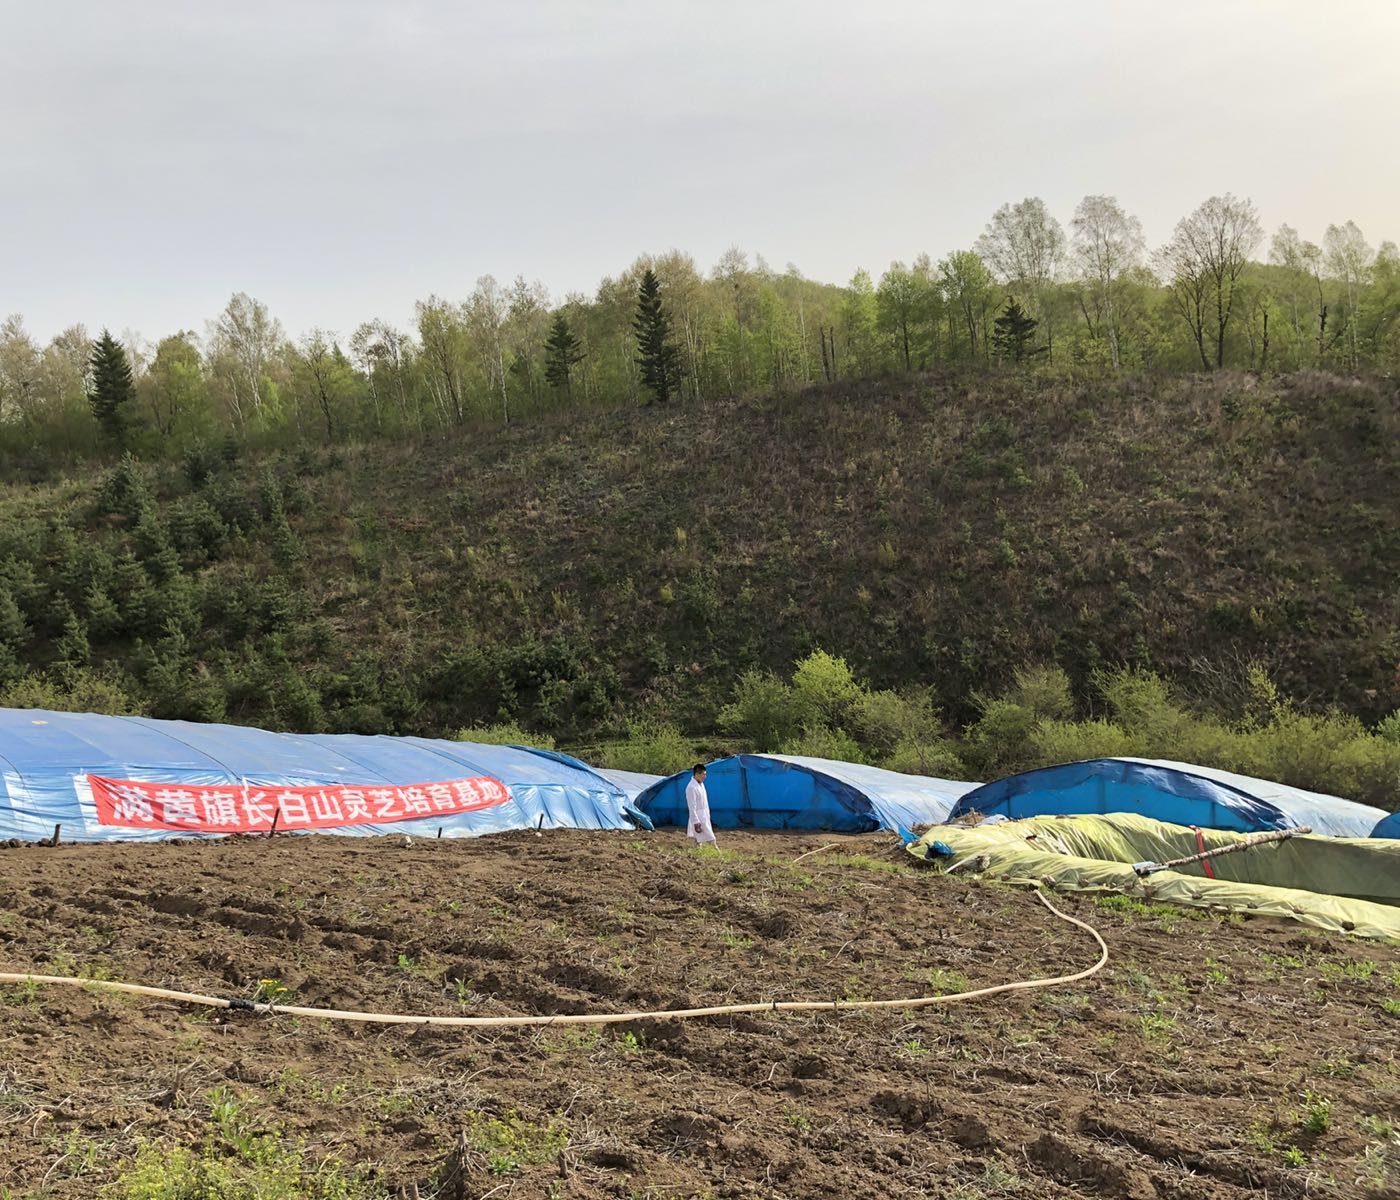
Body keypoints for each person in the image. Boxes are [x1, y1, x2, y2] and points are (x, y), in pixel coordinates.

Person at [685, 762, 716, 846]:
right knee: (710, 837)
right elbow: (692, 807)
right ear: (697, 774)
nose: (705, 777)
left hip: (704, 815)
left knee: (698, 840)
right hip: (698, 816)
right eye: (703, 774)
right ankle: (717, 853)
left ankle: (697, 854)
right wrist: (695, 821)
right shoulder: (691, 788)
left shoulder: (701, 785)